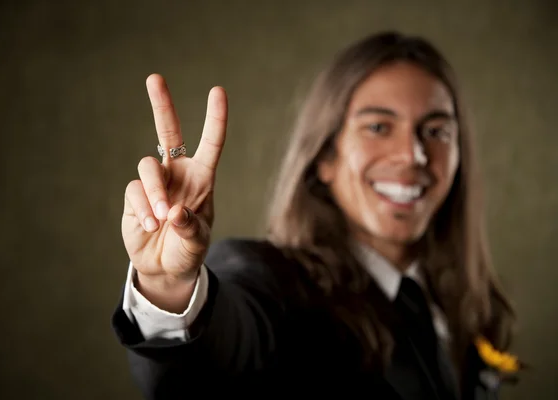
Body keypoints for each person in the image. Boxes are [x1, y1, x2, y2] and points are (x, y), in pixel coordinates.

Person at [112, 31, 518, 399]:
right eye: (378, 127)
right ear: (326, 156)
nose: (413, 156)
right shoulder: (275, 286)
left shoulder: (460, 302)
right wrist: (167, 286)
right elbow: (203, 368)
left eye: (436, 131)